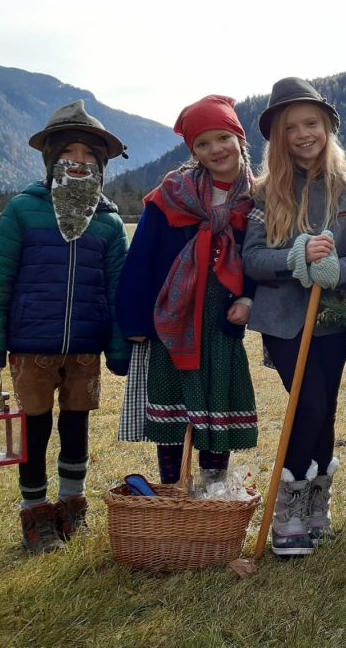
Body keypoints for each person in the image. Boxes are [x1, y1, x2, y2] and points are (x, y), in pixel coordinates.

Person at [0, 99, 130, 553]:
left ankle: (72, 505)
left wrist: (118, 348)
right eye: (70, 153)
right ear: (52, 159)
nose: (79, 162)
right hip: (31, 347)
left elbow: (119, 291)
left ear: (100, 166)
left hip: (85, 348)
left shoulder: (109, 223)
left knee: (77, 427)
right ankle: (35, 513)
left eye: (89, 156)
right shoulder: (23, 210)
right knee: (36, 429)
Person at [243, 77, 346, 556]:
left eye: (311, 123)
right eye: (291, 127)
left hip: (335, 316)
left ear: (328, 127)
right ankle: (289, 512)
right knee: (309, 405)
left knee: (326, 411)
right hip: (284, 319)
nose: (303, 134)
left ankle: (317, 503)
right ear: (278, 137)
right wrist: (295, 256)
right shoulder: (264, 192)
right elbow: (251, 259)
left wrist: (337, 269)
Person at [115, 95, 259, 503]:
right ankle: (173, 489)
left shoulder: (259, 199)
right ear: (193, 152)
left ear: (239, 138)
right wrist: (136, 322)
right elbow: (141, 257)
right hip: (173, 320)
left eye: (222, 138)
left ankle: (214, 493)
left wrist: (249, 299)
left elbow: (262, 258)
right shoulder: (172, 195)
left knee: (218, 400)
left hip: (221, 320)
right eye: (203, 144)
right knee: (173, 406)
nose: (216, 150)